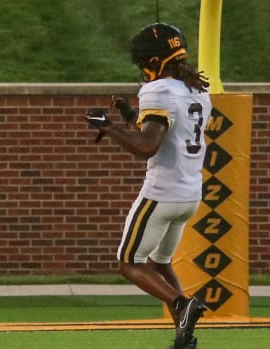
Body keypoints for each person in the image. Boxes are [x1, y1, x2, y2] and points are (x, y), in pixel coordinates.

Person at [85, 23, 211, 349]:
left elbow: (147, 146)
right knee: (159, 263)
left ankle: (182, 305)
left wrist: (109, 127)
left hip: (161, 194)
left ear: (154, 61)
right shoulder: (197, 90)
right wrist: (130, 117)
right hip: (189, 195)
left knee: (129, 263)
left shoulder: (159, 91)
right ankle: (185, 337)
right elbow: (162, 132)